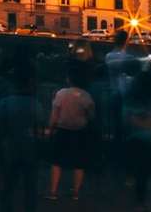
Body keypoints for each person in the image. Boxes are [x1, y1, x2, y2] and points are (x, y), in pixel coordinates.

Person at [0, 62, 42, 212]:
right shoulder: (35, 103)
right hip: (29, 147)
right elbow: (39, 125)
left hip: (10, 146)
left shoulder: (5, 102)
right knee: (30, 186)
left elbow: (0, 126)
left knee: (8, 184)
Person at [49, 58, 98, 201]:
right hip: (80, 132)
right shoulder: (86, 96)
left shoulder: (61, 93)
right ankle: (75, 192)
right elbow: (91, 116)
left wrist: (50, 129)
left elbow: (54, 115)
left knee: (57, 161)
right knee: (79, 163)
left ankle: (53, 191)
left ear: (69, 79)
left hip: (62, 130)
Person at [127, 66, 151, 211]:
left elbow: (130, 120)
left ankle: (140, 204)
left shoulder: (132, 99)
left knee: (141, 175)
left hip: (138, 142)